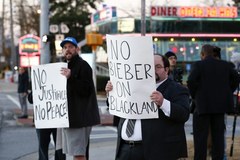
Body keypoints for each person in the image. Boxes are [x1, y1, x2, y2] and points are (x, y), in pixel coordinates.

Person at [105, 54, 190, 160]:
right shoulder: (132, 84)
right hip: (124, 149)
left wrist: (163, 103)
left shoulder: (177, 89)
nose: (152, 70)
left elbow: (184, 114)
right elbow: (116, 107)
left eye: (157, 67)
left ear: (166, 70)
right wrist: (112, 93)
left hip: (155, 151)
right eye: (149, 66)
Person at [187, 44, 240, 160]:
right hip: (220, 107)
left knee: (200, 139)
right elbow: (236, 79)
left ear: (202, 54)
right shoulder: (225, 65)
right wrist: (227, 91)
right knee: (218, 139)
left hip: (202, 106)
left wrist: (196, 95)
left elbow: (190, 81)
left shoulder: (199, 65)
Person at [59, 37, 100, 160]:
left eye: (70, 47)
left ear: (77, 49)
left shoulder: (83, 66)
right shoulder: (64, 66)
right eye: (65, 47)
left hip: (79, 119)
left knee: (78, 155)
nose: (67, 50)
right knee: (76, 153)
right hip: (70, 118)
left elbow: (85, 90)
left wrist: (71, 77)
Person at [28, 91, 66, 160]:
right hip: (43, 118)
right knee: (43, 147)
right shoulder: (39, 80)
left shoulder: (62, 80)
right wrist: (35, 93)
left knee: (60, 148)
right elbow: (30, 99)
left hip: (58, 117)